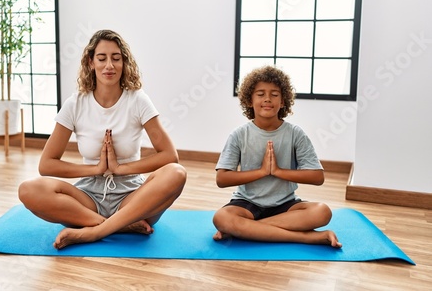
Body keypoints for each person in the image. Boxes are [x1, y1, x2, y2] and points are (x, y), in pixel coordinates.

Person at [18, 29, 186, 249]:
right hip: (87, 199)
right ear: (91, 62)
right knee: (28, 189)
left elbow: (169, 156)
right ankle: (117, 225)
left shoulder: (138, 100)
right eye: (102, 58)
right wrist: (96, 169)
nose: (109, 65)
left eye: (116, 58)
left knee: (176, 173)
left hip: (132, 197)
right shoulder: (75, 103)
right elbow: (46, 164)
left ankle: (94, 232)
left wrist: (119, 168)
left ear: (124, 63)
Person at [212, 65, 342, 248]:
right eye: (260, 94)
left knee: (322, 212)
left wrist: (278, 171)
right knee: (222, 217)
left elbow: (317, 177)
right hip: (247, 204)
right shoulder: (239, 135)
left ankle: (248, 230)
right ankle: (307, 238)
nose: (267, 99)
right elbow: (222, 179)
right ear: (249, 100)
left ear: (283, 102)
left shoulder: (296, 134)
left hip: (286, 205)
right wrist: (263, 171)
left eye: (274, 94)